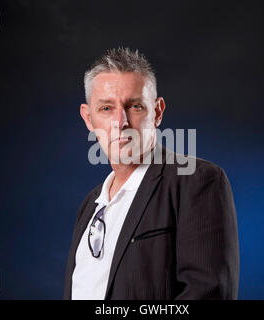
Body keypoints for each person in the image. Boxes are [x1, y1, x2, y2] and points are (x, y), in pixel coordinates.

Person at [63, 47, 239, 299]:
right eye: (106, 108)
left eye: (134, 106)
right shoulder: (89, 206)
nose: (121, 122)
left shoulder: (198, 181)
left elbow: (209, 293)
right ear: (88, 118)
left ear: (157, 111)